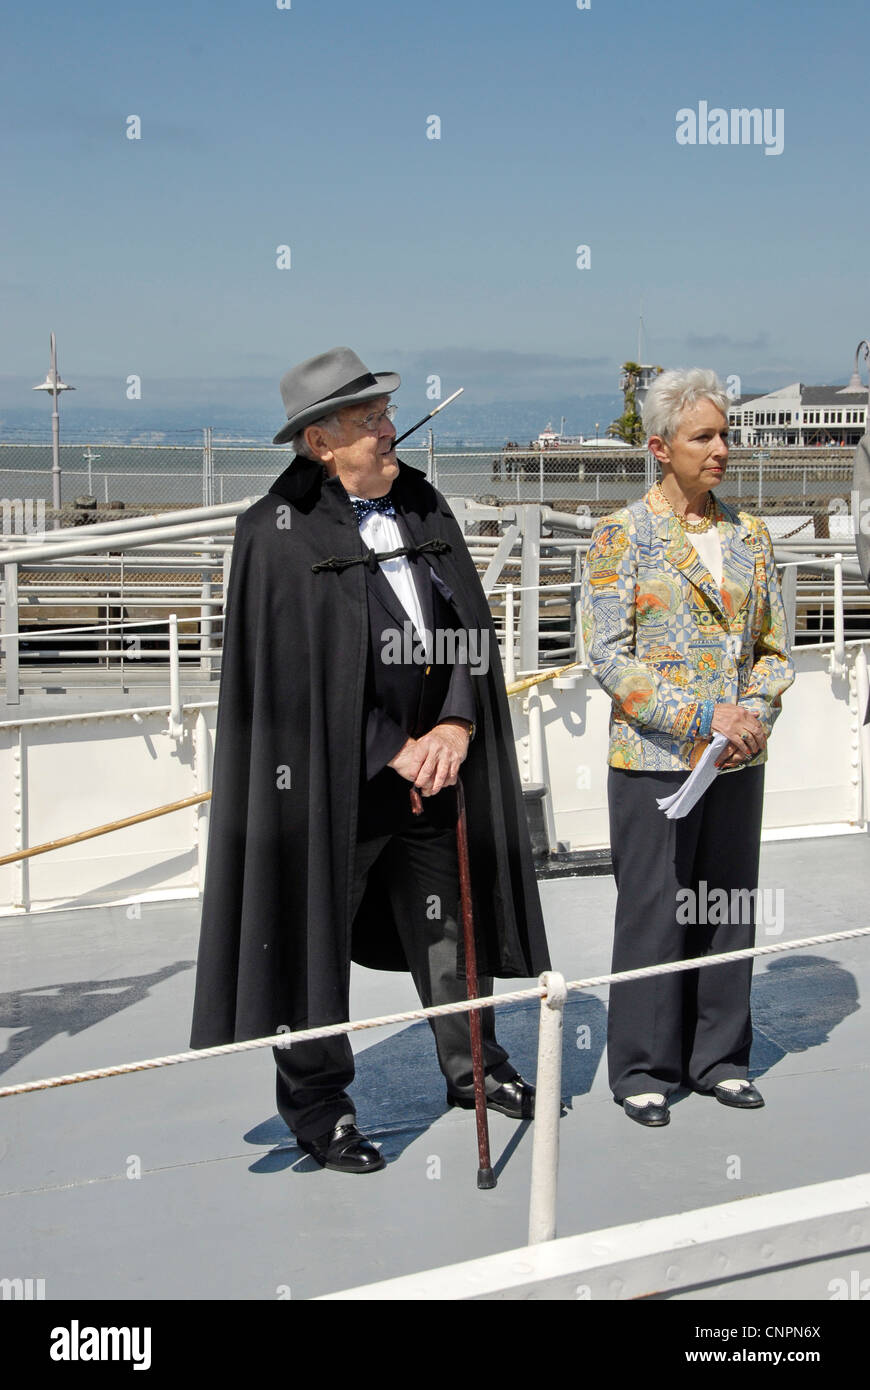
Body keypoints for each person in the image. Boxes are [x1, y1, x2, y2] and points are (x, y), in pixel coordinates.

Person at [190, 347, 550, 1172]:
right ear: (319, 442)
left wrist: (457, 724)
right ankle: (321, 1110)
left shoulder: (422, 500)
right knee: (310, 942)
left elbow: (470, 625)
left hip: (439, 772)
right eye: (370, 423)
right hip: (333, 788)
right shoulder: (273, 533)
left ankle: (476, 1071)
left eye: (387, 416)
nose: (391, 433)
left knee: (452, 930)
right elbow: (289, 686)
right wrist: (395, 749)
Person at [581, 367, 794, 1127]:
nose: (722, 450)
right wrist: (707, 716)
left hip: (738, 757)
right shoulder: (621, 537)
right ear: (659, 447)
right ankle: (642, 1065)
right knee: (655, 909)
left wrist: (753, 713)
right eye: (704, 437)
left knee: (728, 901)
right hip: (655, 761)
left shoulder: (751, 535)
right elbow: (609, 656)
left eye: (725, 434)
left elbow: (773, 649)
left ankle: (720, 1057)